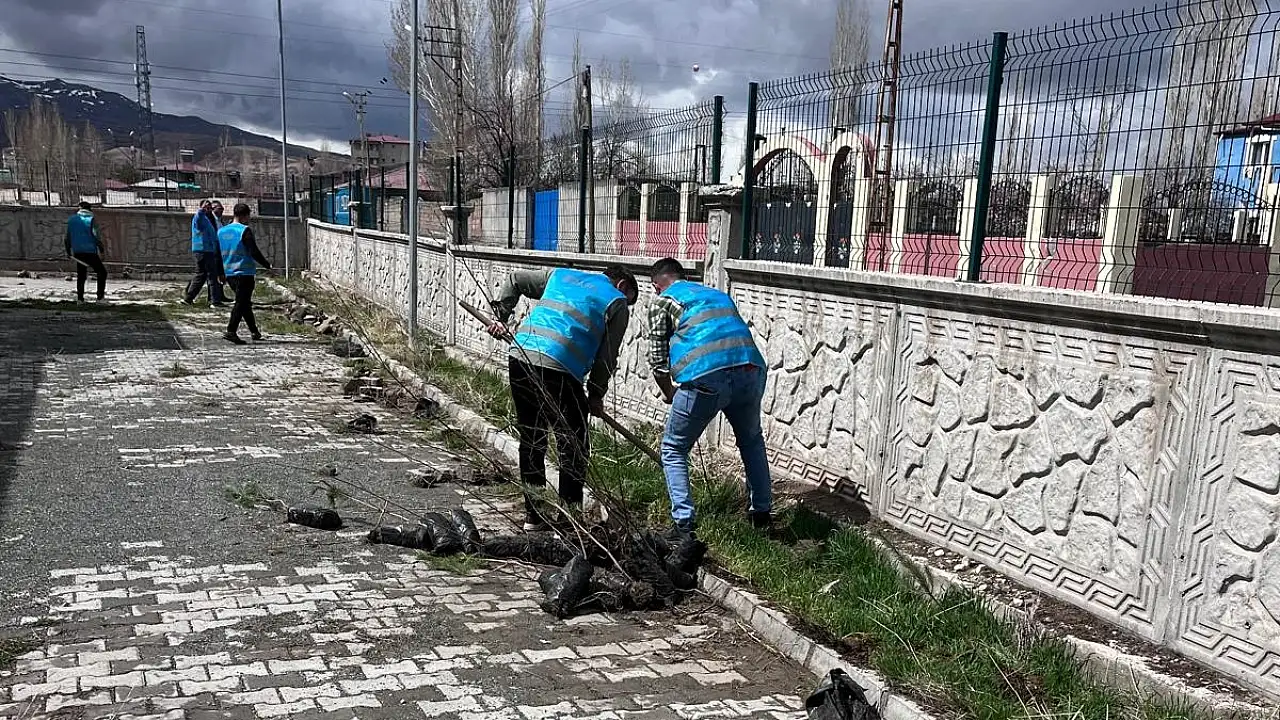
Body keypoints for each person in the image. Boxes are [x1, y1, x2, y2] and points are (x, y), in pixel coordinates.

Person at [487, 266, 639, 531]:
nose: (628, 304)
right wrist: (596, 394)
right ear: (623, 286)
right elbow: (606, 357)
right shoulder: (617, 302)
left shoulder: (559, 275)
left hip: (521, 356)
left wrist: (501, 317)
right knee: (573, 445)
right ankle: (568, 522)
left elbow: (515, 279)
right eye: (630, 299)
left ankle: (533, 515)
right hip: (560, 366)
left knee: (532, 437)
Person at [647, 258, 771, 535]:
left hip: (704, 377)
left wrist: (669, 393)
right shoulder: (716, 294)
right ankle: (761, 514)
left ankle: (684, 524)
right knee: (751, 441)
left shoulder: (662, 301)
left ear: (657, 285)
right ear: (683, 276)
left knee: (673, 447)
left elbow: (657, 360)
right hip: (750, 369)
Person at [217, 202, 272, 345]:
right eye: (248, 216)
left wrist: (219, 272)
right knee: (241, 303)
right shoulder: (244, 230)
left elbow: (217, 254)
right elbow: (253, 251)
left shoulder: (221, 231)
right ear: (245, 216)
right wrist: (267, 265)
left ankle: (254, 331)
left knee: (245, 302)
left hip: (229, 272)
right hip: (244, 272)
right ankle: (231, 330)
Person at [182, 200, 227, 307]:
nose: (209, 209)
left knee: (201, 275)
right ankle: (215, 301)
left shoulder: (207, 220)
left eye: (210, 208)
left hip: (207, 250)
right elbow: (198, 218)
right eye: (207, 208)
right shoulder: (199, 217)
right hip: (203, 250)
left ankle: (188, 298)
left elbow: (213, 235)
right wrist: (202, 209)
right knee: (212, 275)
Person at [64, 201, 107, 304]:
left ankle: (80, 299)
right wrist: (101, 250)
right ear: (90, 209)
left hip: (77, 251)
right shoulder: (91, 220)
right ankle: (100, 298)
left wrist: (68, 251)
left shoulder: (72, 220)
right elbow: (96, 236)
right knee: (102, 272)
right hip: (90, 251)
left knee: (81, 274)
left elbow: (67, 237)